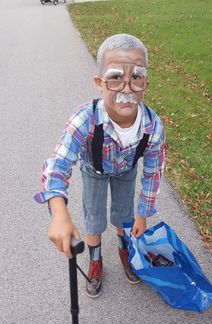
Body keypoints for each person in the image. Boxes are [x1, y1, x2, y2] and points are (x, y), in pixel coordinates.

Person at [34, 33, 166, 298]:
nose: (127, 88)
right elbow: (58, 163)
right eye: (116, 77)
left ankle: (124, 250)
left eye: (136, 77)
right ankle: (95, 260)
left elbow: (153, 172)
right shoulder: (85, 118)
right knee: (93, 219)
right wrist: (59, 212)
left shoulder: (153, 127)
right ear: (99, 82)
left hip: (126, 171)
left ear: (146, 83)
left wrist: (144, 213)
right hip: (94, 170)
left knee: (124, 216)